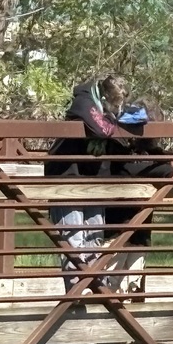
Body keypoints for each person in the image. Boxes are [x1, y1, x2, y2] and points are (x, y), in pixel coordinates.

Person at [44, 74, 132, 291]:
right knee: (74, 238)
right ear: (103, 97)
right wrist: (116, 120)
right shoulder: (83, 101)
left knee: (94, 237)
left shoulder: (108, 108)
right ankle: (75, 292)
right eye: (114, 105)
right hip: (66, 178)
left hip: (93, 177)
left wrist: (120, 118)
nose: (117, 110)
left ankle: (94, 287)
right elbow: (102, 129)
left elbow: (138, 120)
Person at [104, 99, 173, 297]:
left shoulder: (150, 153)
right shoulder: (118, 146)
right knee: (110, 284)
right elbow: (127, 171)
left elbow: (167, 169)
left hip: (138, 233)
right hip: (116, 231)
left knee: (129, 285)